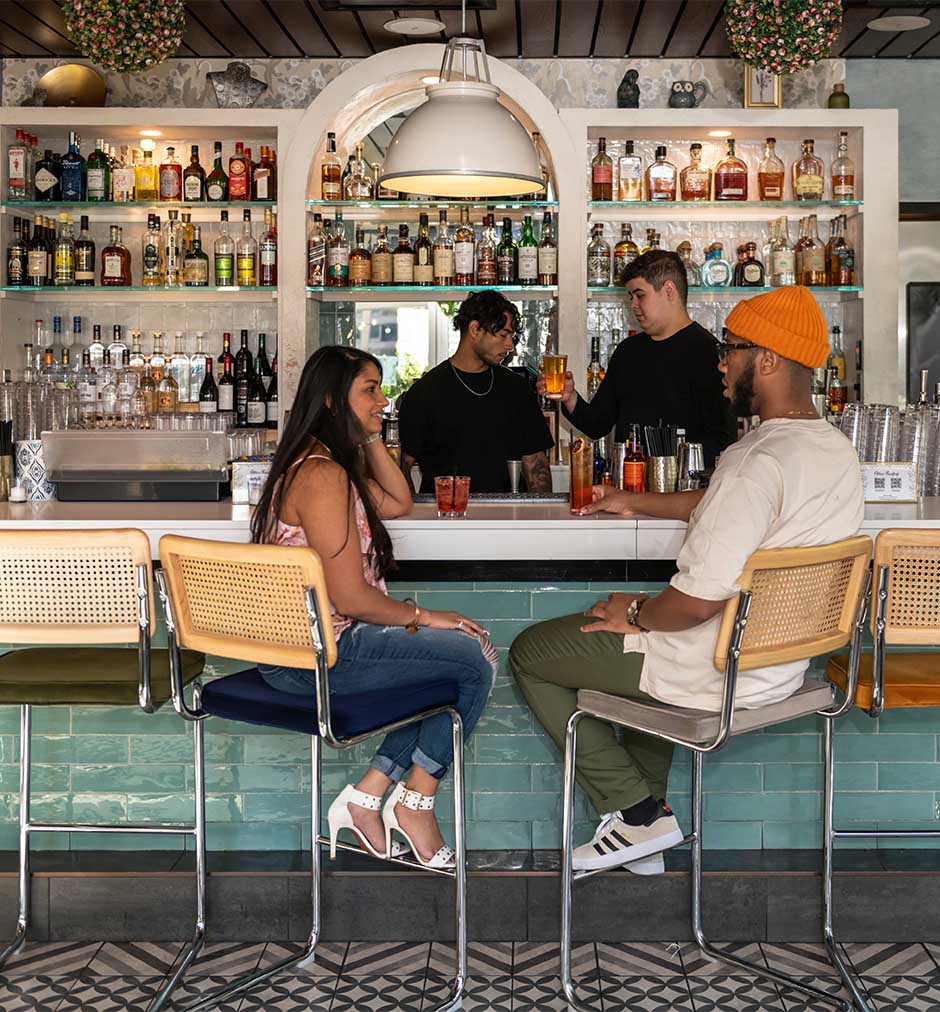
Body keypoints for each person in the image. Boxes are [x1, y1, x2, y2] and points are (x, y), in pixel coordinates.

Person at [510, 286, 864, 874]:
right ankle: (641, 832)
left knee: (531, 652)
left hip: (718, 670)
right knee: (644, 660)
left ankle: (637, 812)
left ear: (769, 360)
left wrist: (637, 612)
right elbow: (722, 505)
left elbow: (695, 603)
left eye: (730, 348)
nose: (720, 362)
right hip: (780, 668)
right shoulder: (833, 451)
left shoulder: (754, 461)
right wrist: (637, 499)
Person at [251, 346, 498, 869]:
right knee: (471, 662)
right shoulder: (320, 476)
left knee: (457, 664)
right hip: (320, 655)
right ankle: (413, 803)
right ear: (329, 399)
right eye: (370, 389)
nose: (384, 400)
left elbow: (400, 500)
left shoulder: (326, 464)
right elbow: (350, 599)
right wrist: (424, 615)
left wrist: (367, 432)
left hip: (320, 647)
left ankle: (369, 797)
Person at [540, 250, 736, 468]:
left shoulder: (708, 353)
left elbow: (723, 441)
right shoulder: (628, 352)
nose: (633, 304)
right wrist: (569, 397)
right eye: (630, 297)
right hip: (627, 492)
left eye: (640, 295)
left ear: (669, 290)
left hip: (684, 496)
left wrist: (672, 471)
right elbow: (597, 424)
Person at [398, 289, 555, 493]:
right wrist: (415, 516)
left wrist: (540, 518)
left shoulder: (516, 389)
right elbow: (401, 467)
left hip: (510, 516)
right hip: (445, 518)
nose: (510, 345)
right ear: (474, 329)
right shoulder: (425, 392)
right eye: (503, 335)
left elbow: (536, 466)